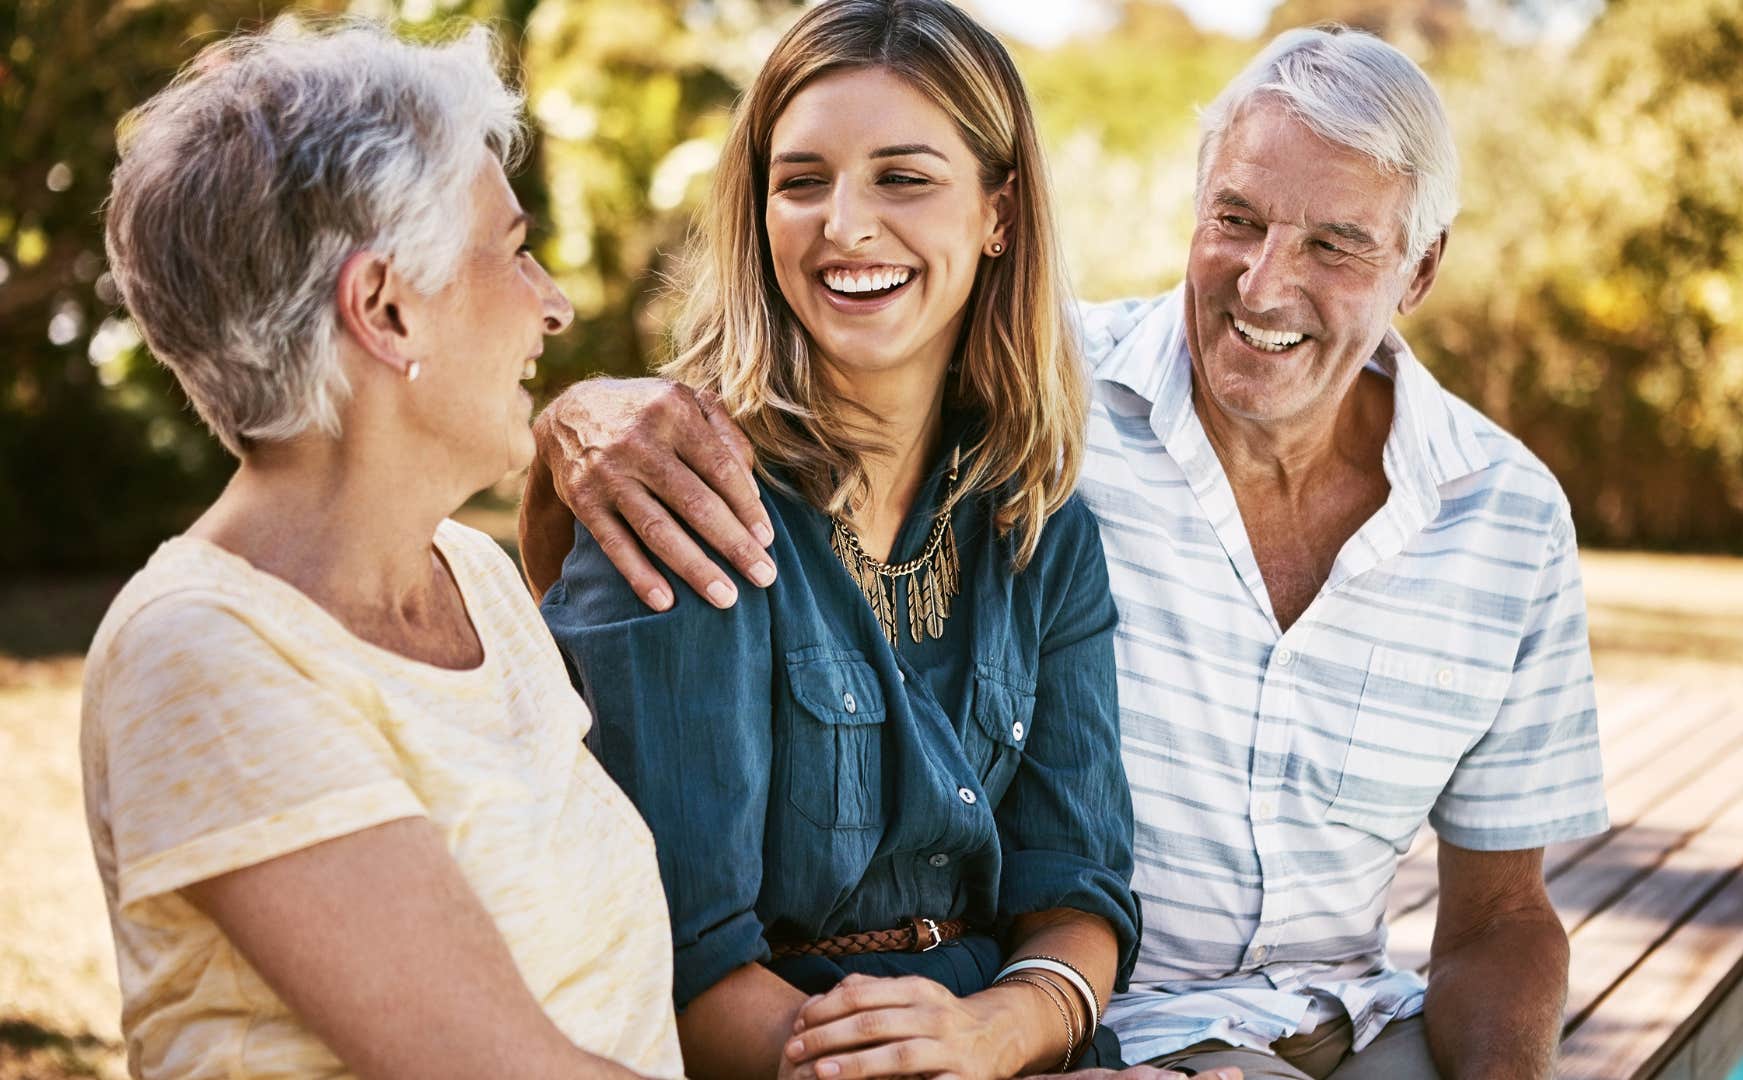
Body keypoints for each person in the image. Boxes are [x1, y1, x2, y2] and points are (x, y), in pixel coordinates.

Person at [523, 23, 1610, 1080]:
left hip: (1288, 1020)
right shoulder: (740, 480)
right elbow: (676, 955)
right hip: (1086, 1036)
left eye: (1335, 244)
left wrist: (1010, 1028)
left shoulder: (1040, 490)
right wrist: (571, 416)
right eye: (1236, 219)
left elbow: (1497, 917)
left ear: (1418, 272)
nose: (1266, 285)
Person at [534, 5, 1209, 1079]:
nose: (844, 224)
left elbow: (1077, 888)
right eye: (801, 181)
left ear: (999, 212)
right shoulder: (680, 492)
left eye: (903, 178)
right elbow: (684, 974)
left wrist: (1002, 1030)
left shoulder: (1037, 519)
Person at [82, 20, 682, 1079]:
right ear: (385, 309)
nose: (555, 302)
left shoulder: (478, 582)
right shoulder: (202, 655)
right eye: (512, 250)